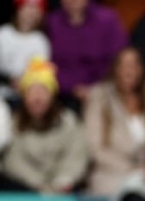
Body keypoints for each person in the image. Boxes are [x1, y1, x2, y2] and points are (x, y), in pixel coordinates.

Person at [83, 47, 145, 196]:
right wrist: (134, 170)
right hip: (112, 173)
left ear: (142, 69)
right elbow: (95, 148)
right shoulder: (99, 96)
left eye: (135, 64)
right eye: (124, 65)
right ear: (115, 69)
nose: (129, 70)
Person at [0, 57, 88, 193]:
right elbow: (12, 160)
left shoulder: (69, 121)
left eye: (43, 91)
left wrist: (62, 180)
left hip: (63, 188)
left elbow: (76, 155)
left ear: (53, 96)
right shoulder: (14, 123)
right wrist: (40, 185)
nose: (37, 98)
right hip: (25, 188)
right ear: (24, 97)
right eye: (31, 92)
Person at [0, 0, 51, 103]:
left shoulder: (41, 41)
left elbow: (41, 72)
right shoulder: (3, 34)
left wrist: (25, 82)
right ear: (18, 8)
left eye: (36, 8)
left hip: (28, 98)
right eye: (27, 6)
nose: (30, 13)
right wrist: (9, 80)